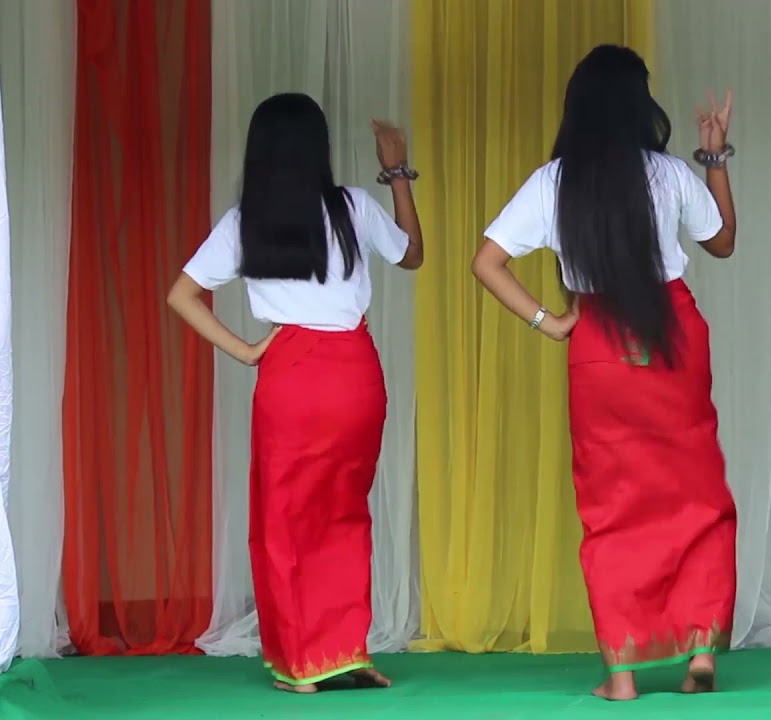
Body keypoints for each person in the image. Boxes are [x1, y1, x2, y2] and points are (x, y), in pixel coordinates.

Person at [471, 45, 738, 701]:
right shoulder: (671, 174)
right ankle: (699, 657)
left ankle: (621, 676)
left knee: (610, 505)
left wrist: (548, 321)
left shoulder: (553, 181)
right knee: (696, 492)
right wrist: (715, 158)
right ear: (638, 105)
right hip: (672, 336)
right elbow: (724, 240)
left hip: (597, 346)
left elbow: (486, 262)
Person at [167, 93, 423, 693]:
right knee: (344, 513)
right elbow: (413, 255)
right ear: (318, 148)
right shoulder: (354, 207)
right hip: (355, 374)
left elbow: (181, 294)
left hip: (291, 374)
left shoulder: (245, 221)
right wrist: (396, 173)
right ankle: (347, 653)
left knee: (286, 521)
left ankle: (301, 665)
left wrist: (248, 350)